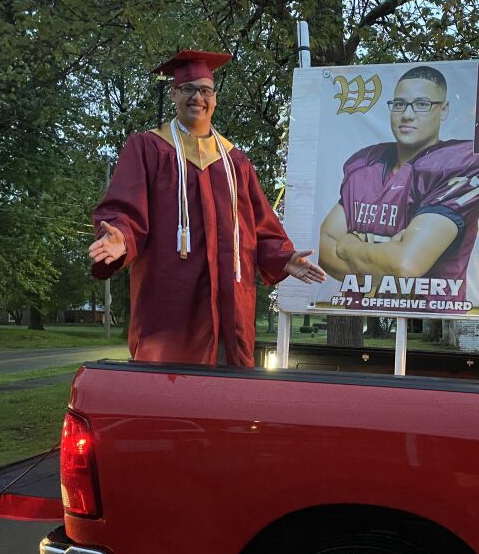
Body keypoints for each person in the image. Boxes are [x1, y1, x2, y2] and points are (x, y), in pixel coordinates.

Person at [89, 50, 325, 366]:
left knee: (228, 397)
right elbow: (126, 209)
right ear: (173, 93)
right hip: (171, 304)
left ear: (214, 97)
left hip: (231, 305)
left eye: (205, 90)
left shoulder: (234, 161)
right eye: (188, 89)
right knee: (169, 393)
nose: (197, 97)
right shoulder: (148, 149)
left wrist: (283, 257)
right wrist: (120, 238)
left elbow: (259, 226)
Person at [318, 65, 479, 303]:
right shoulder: (365, 164)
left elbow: (406, 263)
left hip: (430, 314)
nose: (407, 115)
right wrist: (384, 262)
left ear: (443, 110)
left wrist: (348, 246)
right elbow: (324, 246)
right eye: (400, 104)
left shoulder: (462, 163)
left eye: (422, 104)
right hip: (361, 306)